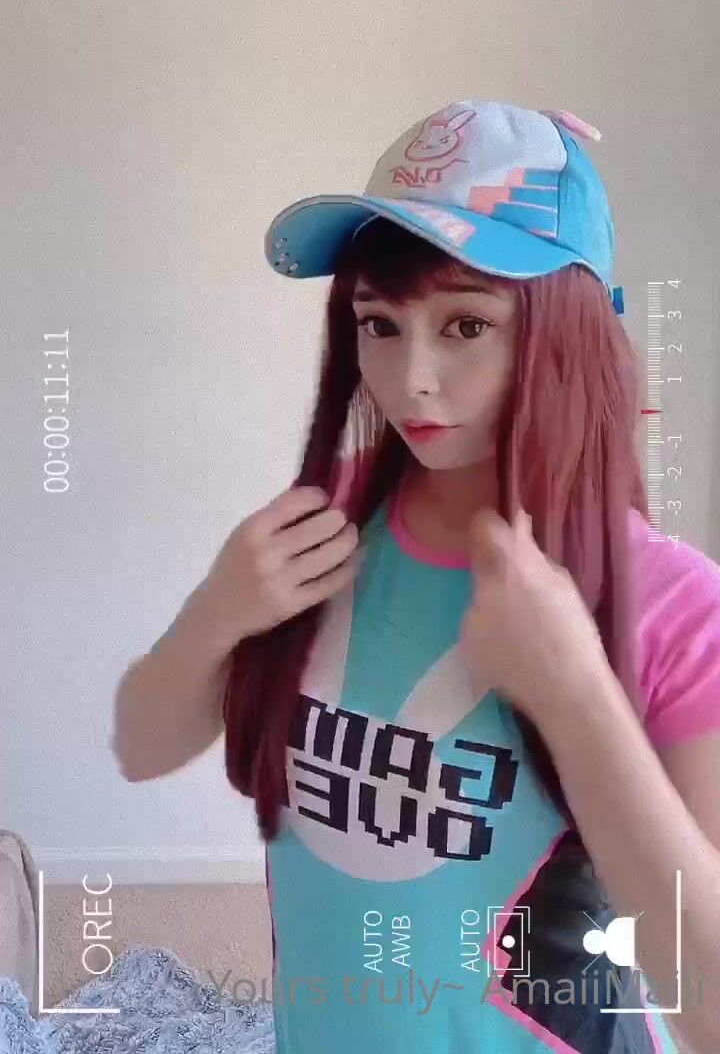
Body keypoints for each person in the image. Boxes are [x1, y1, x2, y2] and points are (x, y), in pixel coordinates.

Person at [113, 100, 720, 1054]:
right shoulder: (325, 527)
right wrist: (214, 614)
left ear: (571, 332)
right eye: (380, 324)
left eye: (467, 324)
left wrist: (575, 696)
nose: (410, 379)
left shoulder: (675, 606)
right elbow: (141, 748)